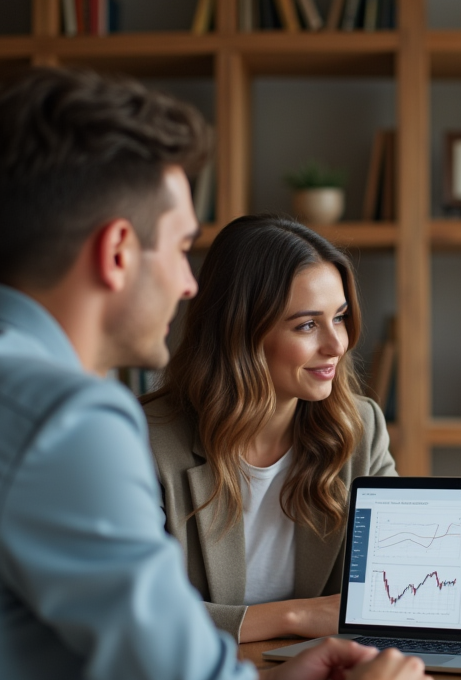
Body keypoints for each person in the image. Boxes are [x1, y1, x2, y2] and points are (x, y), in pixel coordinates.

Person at [0, 67, 437, 680]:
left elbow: (16, 652)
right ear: (115, 253)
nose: (190, 283)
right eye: (176, 247)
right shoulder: (67, 420)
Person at [143, 215, 394, 643]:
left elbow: (392, 584)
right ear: (238, 333)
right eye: (307, 325)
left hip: (328, 678)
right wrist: (297, 617)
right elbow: (139, 613)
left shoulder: (361, 426)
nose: (338, 344)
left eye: (340, 317)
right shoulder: (144, 441)